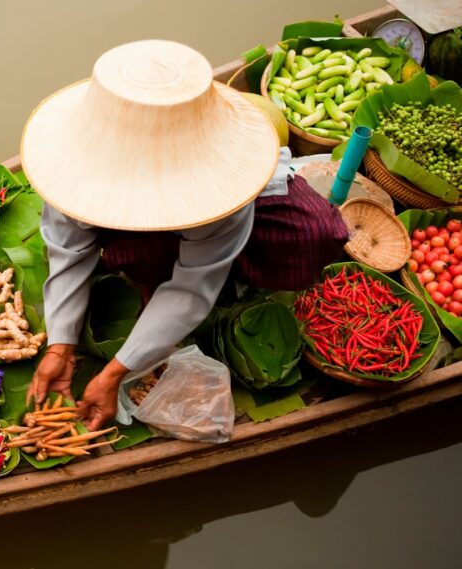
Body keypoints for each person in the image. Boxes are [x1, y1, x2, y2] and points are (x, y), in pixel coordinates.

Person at [19, 40, 283, 430]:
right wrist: (62, 345)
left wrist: (114, 372)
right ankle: (149, 284)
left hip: (214, 222)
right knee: (134, 255)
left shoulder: (218, 190)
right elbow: (67, 252)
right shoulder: (75, 171)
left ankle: (230, 273)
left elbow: (192, 288)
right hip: (148, 229)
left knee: (310, 236)